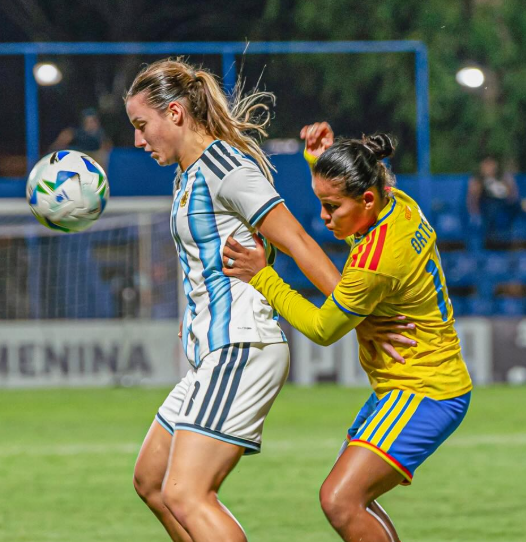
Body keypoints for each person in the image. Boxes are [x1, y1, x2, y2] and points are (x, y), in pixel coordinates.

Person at [123, 61, 412, 542]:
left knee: (187, 494)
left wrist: (360, 317)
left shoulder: (226, 168)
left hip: (240, 347)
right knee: (152, 482)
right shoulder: (187, 176)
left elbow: (296, 239)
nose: (138, 140)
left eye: (141, 125)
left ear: (174, 113)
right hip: (211, 353)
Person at [224, 122, 473, 542]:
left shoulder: (376, 261)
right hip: (411, 386)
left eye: (331, 207)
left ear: (367, 199)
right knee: (356, 500)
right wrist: (318, 160)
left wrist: (262, 277)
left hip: (424, 389)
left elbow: (323, 328)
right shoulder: (398, 204)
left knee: (340, 499)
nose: (323, 218)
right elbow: (360, 195)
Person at [466, 156, 520, 249]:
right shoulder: (478, 179)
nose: (489, 167)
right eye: (486, 164)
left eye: (491, 164)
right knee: (491, 209)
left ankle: (505, 240)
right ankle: (492, 241)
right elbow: (473, 198)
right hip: (487, 207)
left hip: (504, 206)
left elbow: (513, 195)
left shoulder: (503, 177)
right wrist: (474, 213)